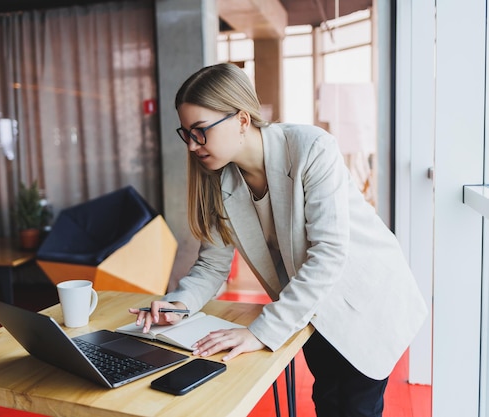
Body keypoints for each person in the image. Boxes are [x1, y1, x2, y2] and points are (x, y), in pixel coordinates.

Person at [129, 63, 427, 417]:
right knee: (328, 403)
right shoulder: (217, 178)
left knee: (355, 407)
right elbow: (211, 265)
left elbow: (329, 253)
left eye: (201, 131)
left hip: (364, 299)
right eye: (186, 134)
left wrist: (260, 332)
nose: (193, 146)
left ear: (241, 119)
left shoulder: (311, 147)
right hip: (308, 307)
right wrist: (178, 304)